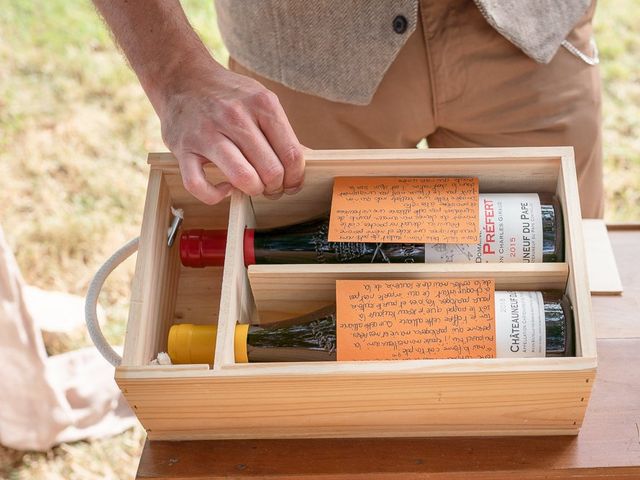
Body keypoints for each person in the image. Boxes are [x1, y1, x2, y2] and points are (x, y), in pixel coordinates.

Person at [93, 0, 603, 218]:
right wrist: (177, 76)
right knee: (325, 329)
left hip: (529, 32)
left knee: (554, 314)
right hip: (303, 50)